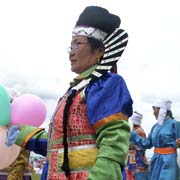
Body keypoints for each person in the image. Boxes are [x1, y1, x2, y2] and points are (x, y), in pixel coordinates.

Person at [6, 6, 133, 180]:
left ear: (100, 50)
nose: (71, 51)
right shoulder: (73, 92)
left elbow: (114, 144)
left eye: (78, 43)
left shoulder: (106, 85)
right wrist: (22, 133)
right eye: (71, 45)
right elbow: (60, 145)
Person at [130, 99, 180, 180]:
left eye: (154, 109)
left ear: (161, 110)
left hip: (169, 161)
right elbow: (146, 143)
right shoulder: (155, 127)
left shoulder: (175, 124)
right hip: (155, 160)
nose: (153, 112)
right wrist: (132, 134)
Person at [126, 111, 148, 180]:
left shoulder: (140, 132)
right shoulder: (134, 131)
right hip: (132, 162)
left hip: (138, 162)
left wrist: (130, 145)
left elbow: (142, 147)